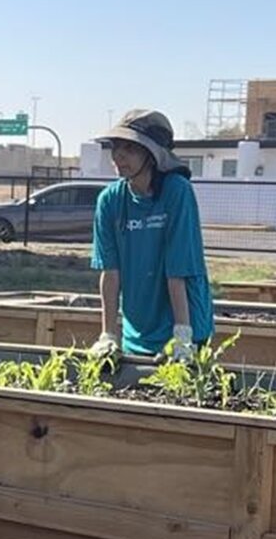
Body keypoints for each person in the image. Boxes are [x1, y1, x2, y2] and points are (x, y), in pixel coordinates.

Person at [90, 109, 214, 362]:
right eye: (115, 147)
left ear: (152, 154)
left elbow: (177, 269)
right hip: (137, 330)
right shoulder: (110, 201)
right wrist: (108, 335)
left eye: (130, 148)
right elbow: (110, 273)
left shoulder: (177, 192)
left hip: (185, 324)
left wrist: (182, 337)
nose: (119, 155)